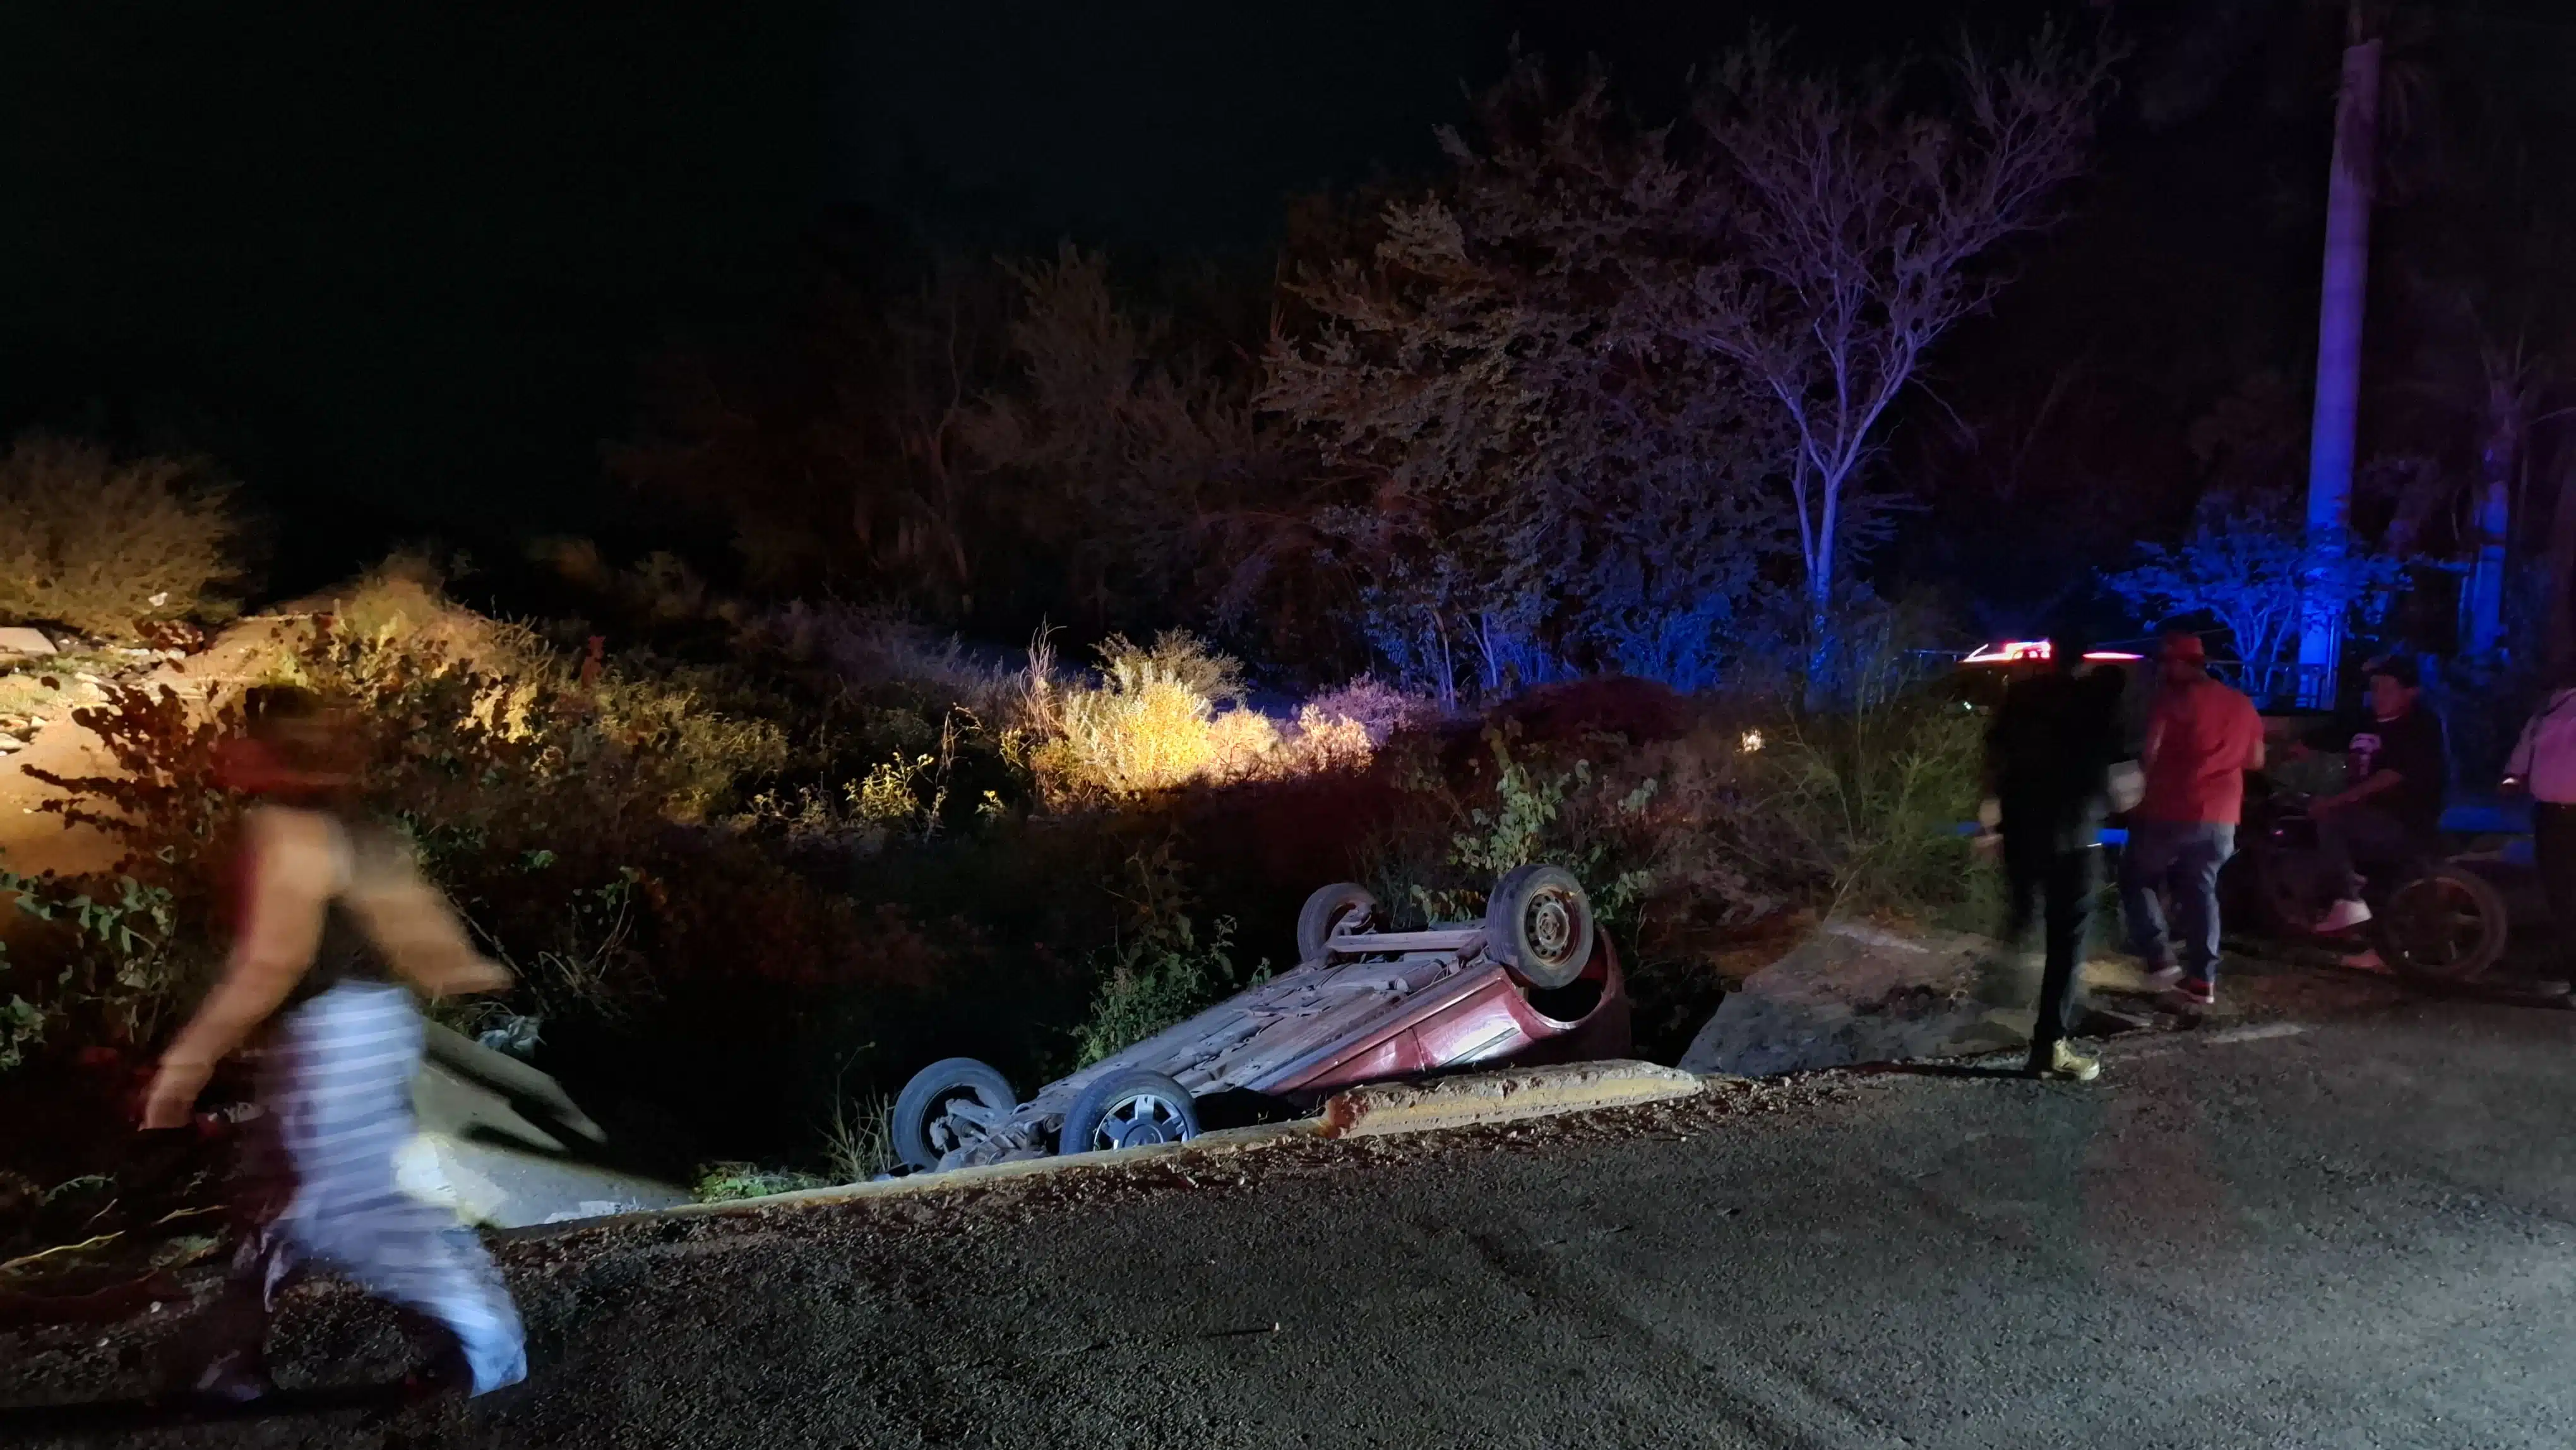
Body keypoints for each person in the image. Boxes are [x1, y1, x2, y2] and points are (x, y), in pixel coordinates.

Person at [143, 686, 527, 1402]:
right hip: (372, 1026)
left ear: (269, 751)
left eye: (239, 738)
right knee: (272, 1197)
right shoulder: (360, 830)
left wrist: (188, 1059)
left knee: (341, 1203)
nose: (225, 751)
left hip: (326, 1041)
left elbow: (270, 962)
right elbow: (432, 949)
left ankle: (484, 1338)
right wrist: (487, 974)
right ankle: (228, 1365)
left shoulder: (283, 831)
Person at [1985, 631, 2126, 1082]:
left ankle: (1993, 1000)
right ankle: (2050, 1044)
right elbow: (2120, 777)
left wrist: (1992, 814)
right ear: (2083, 659)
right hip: (2075, 833)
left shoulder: (2020, 696)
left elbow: (1994, 758)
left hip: (2022, 827)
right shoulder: (2097, 701)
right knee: (2068, 938)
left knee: (2022, 915)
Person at [2122, 632, 2265, 1009]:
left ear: (2181, 664)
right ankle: (2203, 979)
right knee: (2202, 890)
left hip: (2171, 808)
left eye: (2167, 663)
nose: (2163, 670)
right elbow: (2256, 761)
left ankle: (2159, 958)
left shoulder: (2172, 701)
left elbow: (2149, 754)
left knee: (2136, 878)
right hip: (2221, 816)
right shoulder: (2242, 704)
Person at [2305, 656, 2448, 932]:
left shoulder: (2420, 726)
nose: (2378, 696)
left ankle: (2348, 897)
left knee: (2330, 818)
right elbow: (2320, 738)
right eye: (2374, 688)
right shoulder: (2366, 720)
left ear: (2411, 692)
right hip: (2367, 815)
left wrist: (2335, 802)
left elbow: (2391, 776)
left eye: (2387, 688)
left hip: (2402, 820)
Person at [2503, 670, 2576, 993]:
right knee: (2560, 893)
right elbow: (2526, 749)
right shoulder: (2549, 708)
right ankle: (2567, 961)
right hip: (2550, 813)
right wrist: (2513, 777)